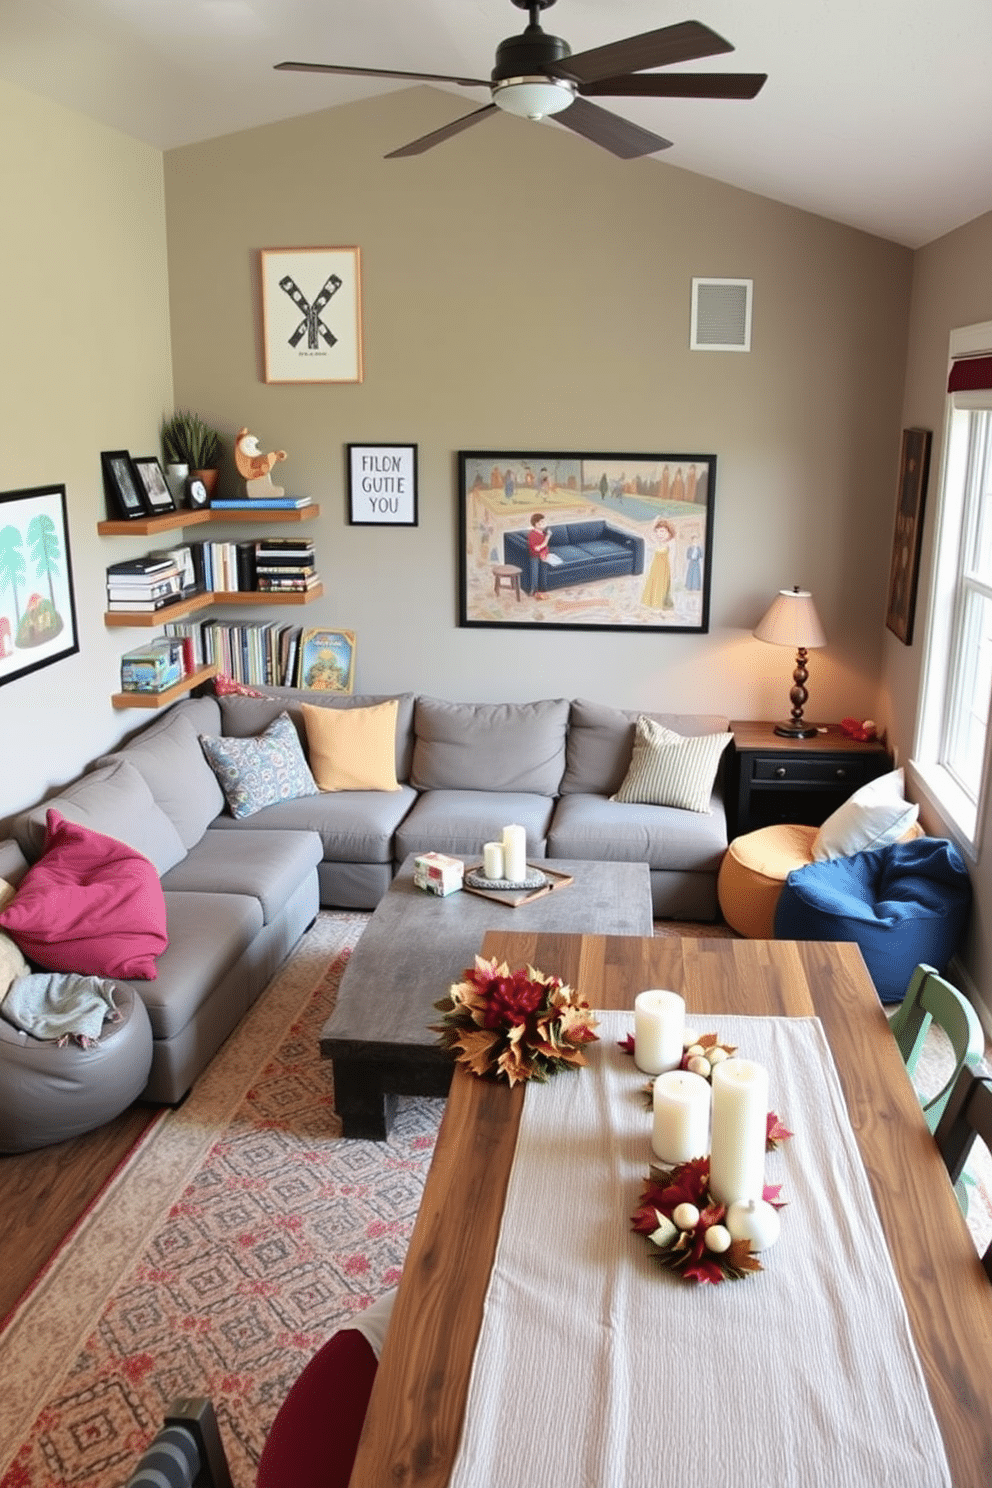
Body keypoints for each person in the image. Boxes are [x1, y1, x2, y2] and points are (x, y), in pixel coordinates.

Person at [641, 518, 676, 610]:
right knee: (653, 585)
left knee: (662, 586)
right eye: (658, 532)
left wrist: (672, 571)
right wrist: (654, 523)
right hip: (655, 569)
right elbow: (648, 534)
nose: (660, 534)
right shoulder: (657, 542)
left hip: (664, 569)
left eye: (663, 532)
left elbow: (672, 557)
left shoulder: (671, 543)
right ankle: (653, 604)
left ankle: (661, 605)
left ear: (669, 532)